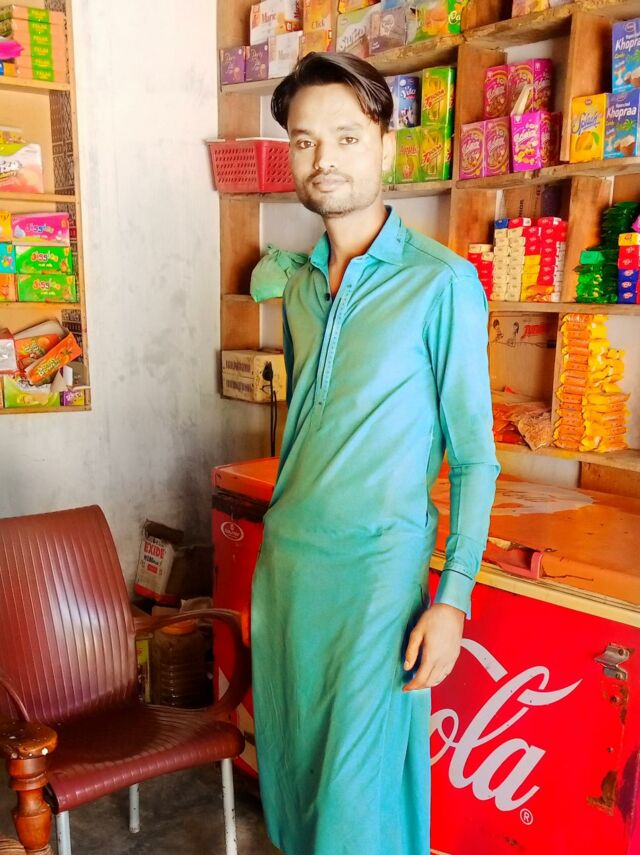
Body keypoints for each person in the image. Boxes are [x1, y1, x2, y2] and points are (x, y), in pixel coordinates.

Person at [250, 52, 499, 855]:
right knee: (293, 784)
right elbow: (304, 428)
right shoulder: (298, 287)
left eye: (347, 137)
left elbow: (474, 458)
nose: (323, 159)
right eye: (304, 141)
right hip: (289, 572)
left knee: (358, 806)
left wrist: (453, 597)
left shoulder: (442, 284)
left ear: (387, 146)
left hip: (377, 580)